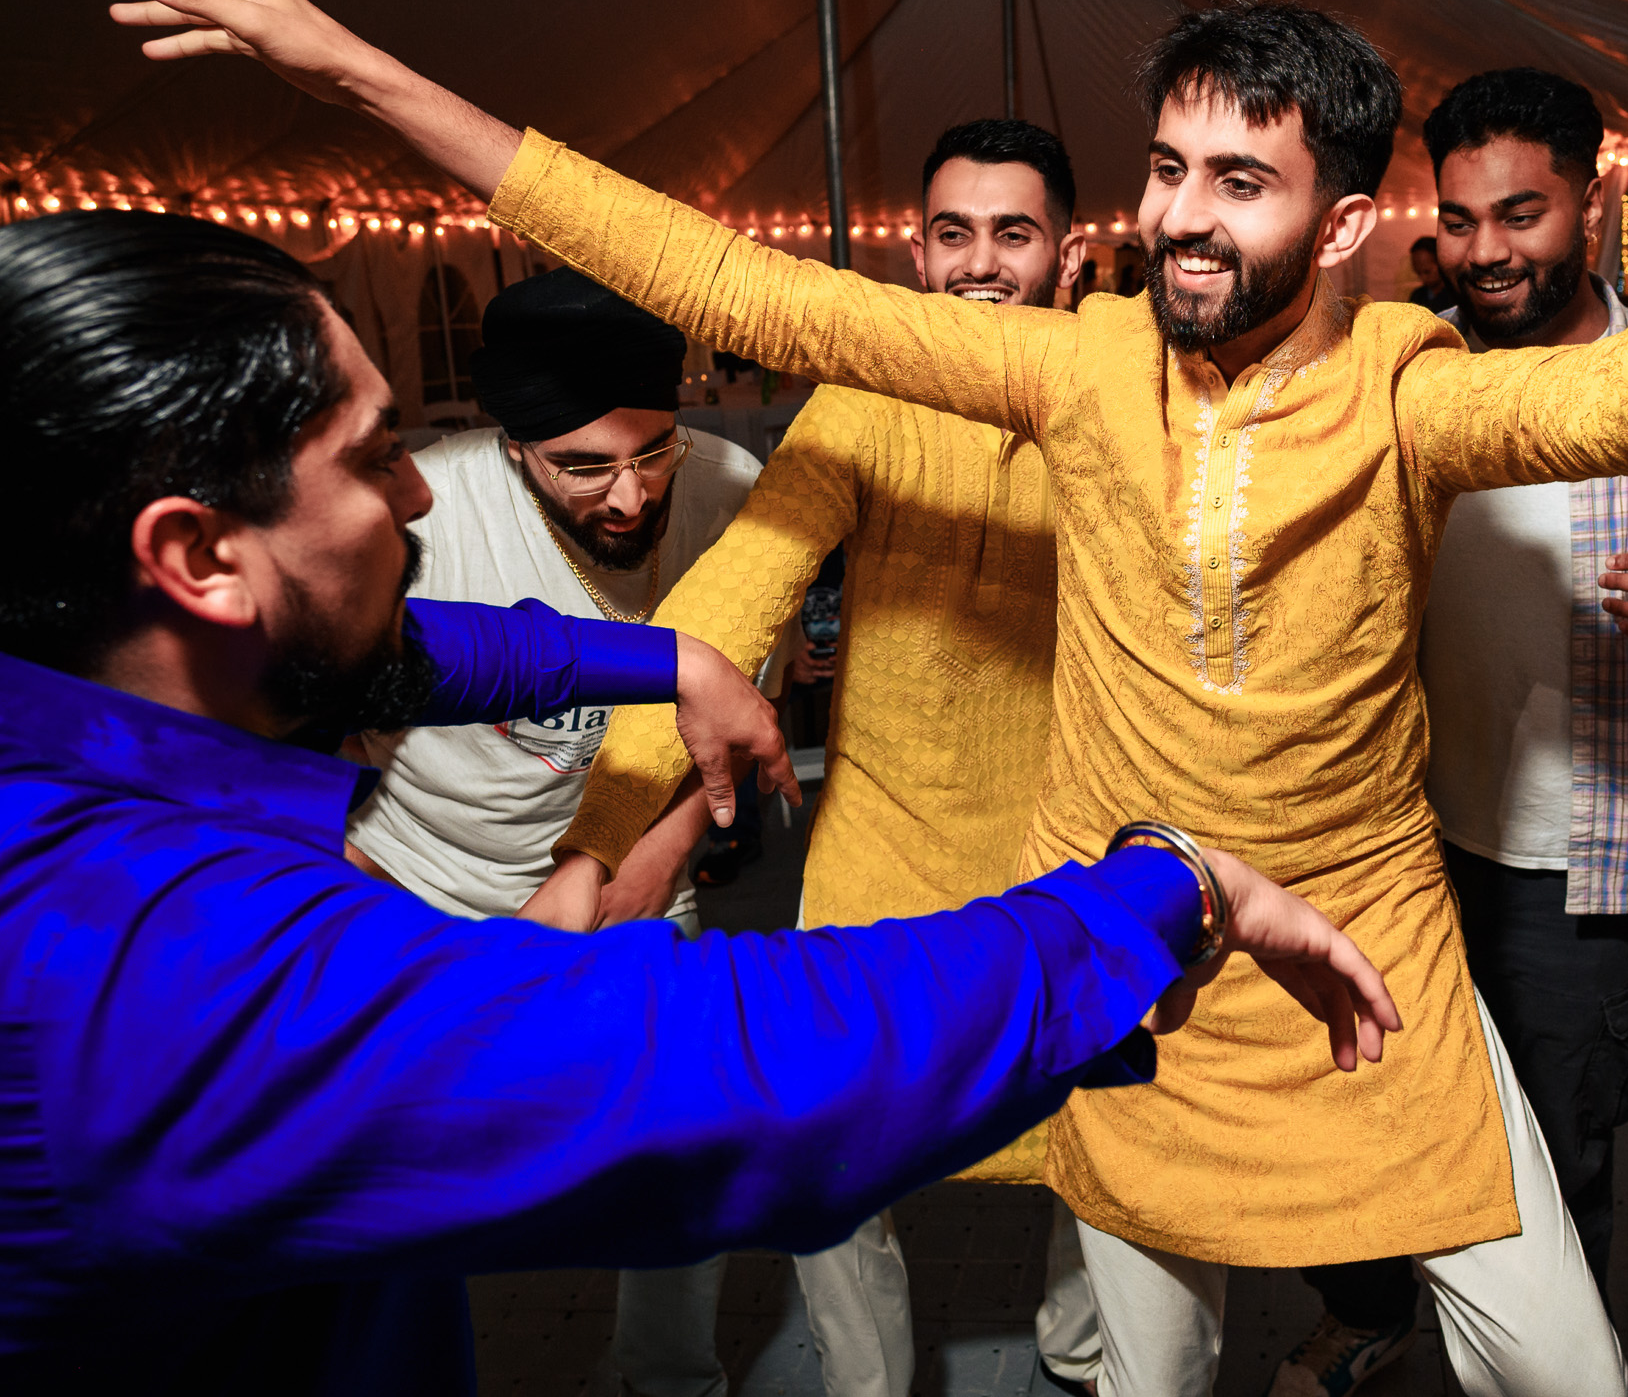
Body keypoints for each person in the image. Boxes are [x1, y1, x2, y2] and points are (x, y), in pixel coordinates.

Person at [110, 0, 1628, 1395]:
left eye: (1246, 178)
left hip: (1362, 949)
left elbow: (1624, 397)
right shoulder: (1068, 367)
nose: (1189, 214)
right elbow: (705, 263)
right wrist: (343, 64)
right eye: (1172, 168)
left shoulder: (1406, 377)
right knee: (1149, 1351)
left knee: (1560, 1351)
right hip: (1134, 932)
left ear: (1351, 221)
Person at [0, 208, 1396, 1394]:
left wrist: (664, 653)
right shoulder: (151, 967)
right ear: (193, 555)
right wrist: (1162, 884)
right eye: (370, 457)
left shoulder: (76, 708)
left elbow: (429, 647)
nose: (421, 485)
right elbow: (751, 1068)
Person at [1271, 67, 1628, 1396]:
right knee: (1368, 1099)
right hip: (1385, 841)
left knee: (1556, 1153)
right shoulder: (1391, 370)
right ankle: (1371, 1310)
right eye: (1462, 218)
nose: (1489, 250)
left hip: (1585, 864)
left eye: (1522, 213)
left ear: (1592, 198)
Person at [556, 117, 1097, 1397]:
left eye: (1012, 234)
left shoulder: (1124, 402)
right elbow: (727, 605)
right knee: (830, 1151)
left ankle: (1087, 1370)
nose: (979, 264)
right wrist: (604, 838)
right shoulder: (860, 408)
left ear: (1070, 253)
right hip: (883, 847)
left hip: (1070, 845)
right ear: (919, 254)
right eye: (952, 234)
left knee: (1110, 1137)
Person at [340, 265, 805, 1397]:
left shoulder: (734, 483)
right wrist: (358, 897)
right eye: (583, 466)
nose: (633, 497)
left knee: (686, 1147)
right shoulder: (427, 515)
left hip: (633, 863)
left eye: (654, 451)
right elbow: (318, 713)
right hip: (417, 877)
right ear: (513, 450)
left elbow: (741, 715)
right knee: (395, 1181)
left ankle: (665, 1380)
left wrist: (654, 861)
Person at [1404, 233, 1455, 313]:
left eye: (1427, 272)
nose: (1422, 278)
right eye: (1418, 273)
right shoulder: (1418, 296)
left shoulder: (1456, 295)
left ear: (1441, 262)